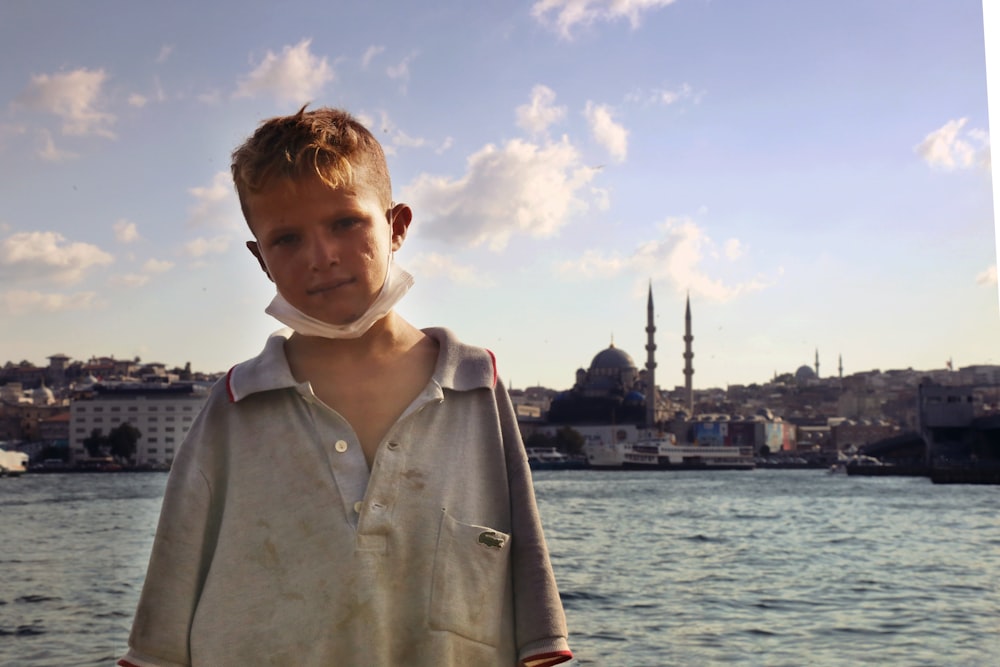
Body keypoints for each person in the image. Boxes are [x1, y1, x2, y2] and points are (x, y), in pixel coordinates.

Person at [117, 106, 573, 667]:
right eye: (286, 238)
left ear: (397, 225)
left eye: (345, 223)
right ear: (260, 259)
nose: (321, 256)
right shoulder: (235, 407)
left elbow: (533, 620)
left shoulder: (476, 388)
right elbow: (163, 627)